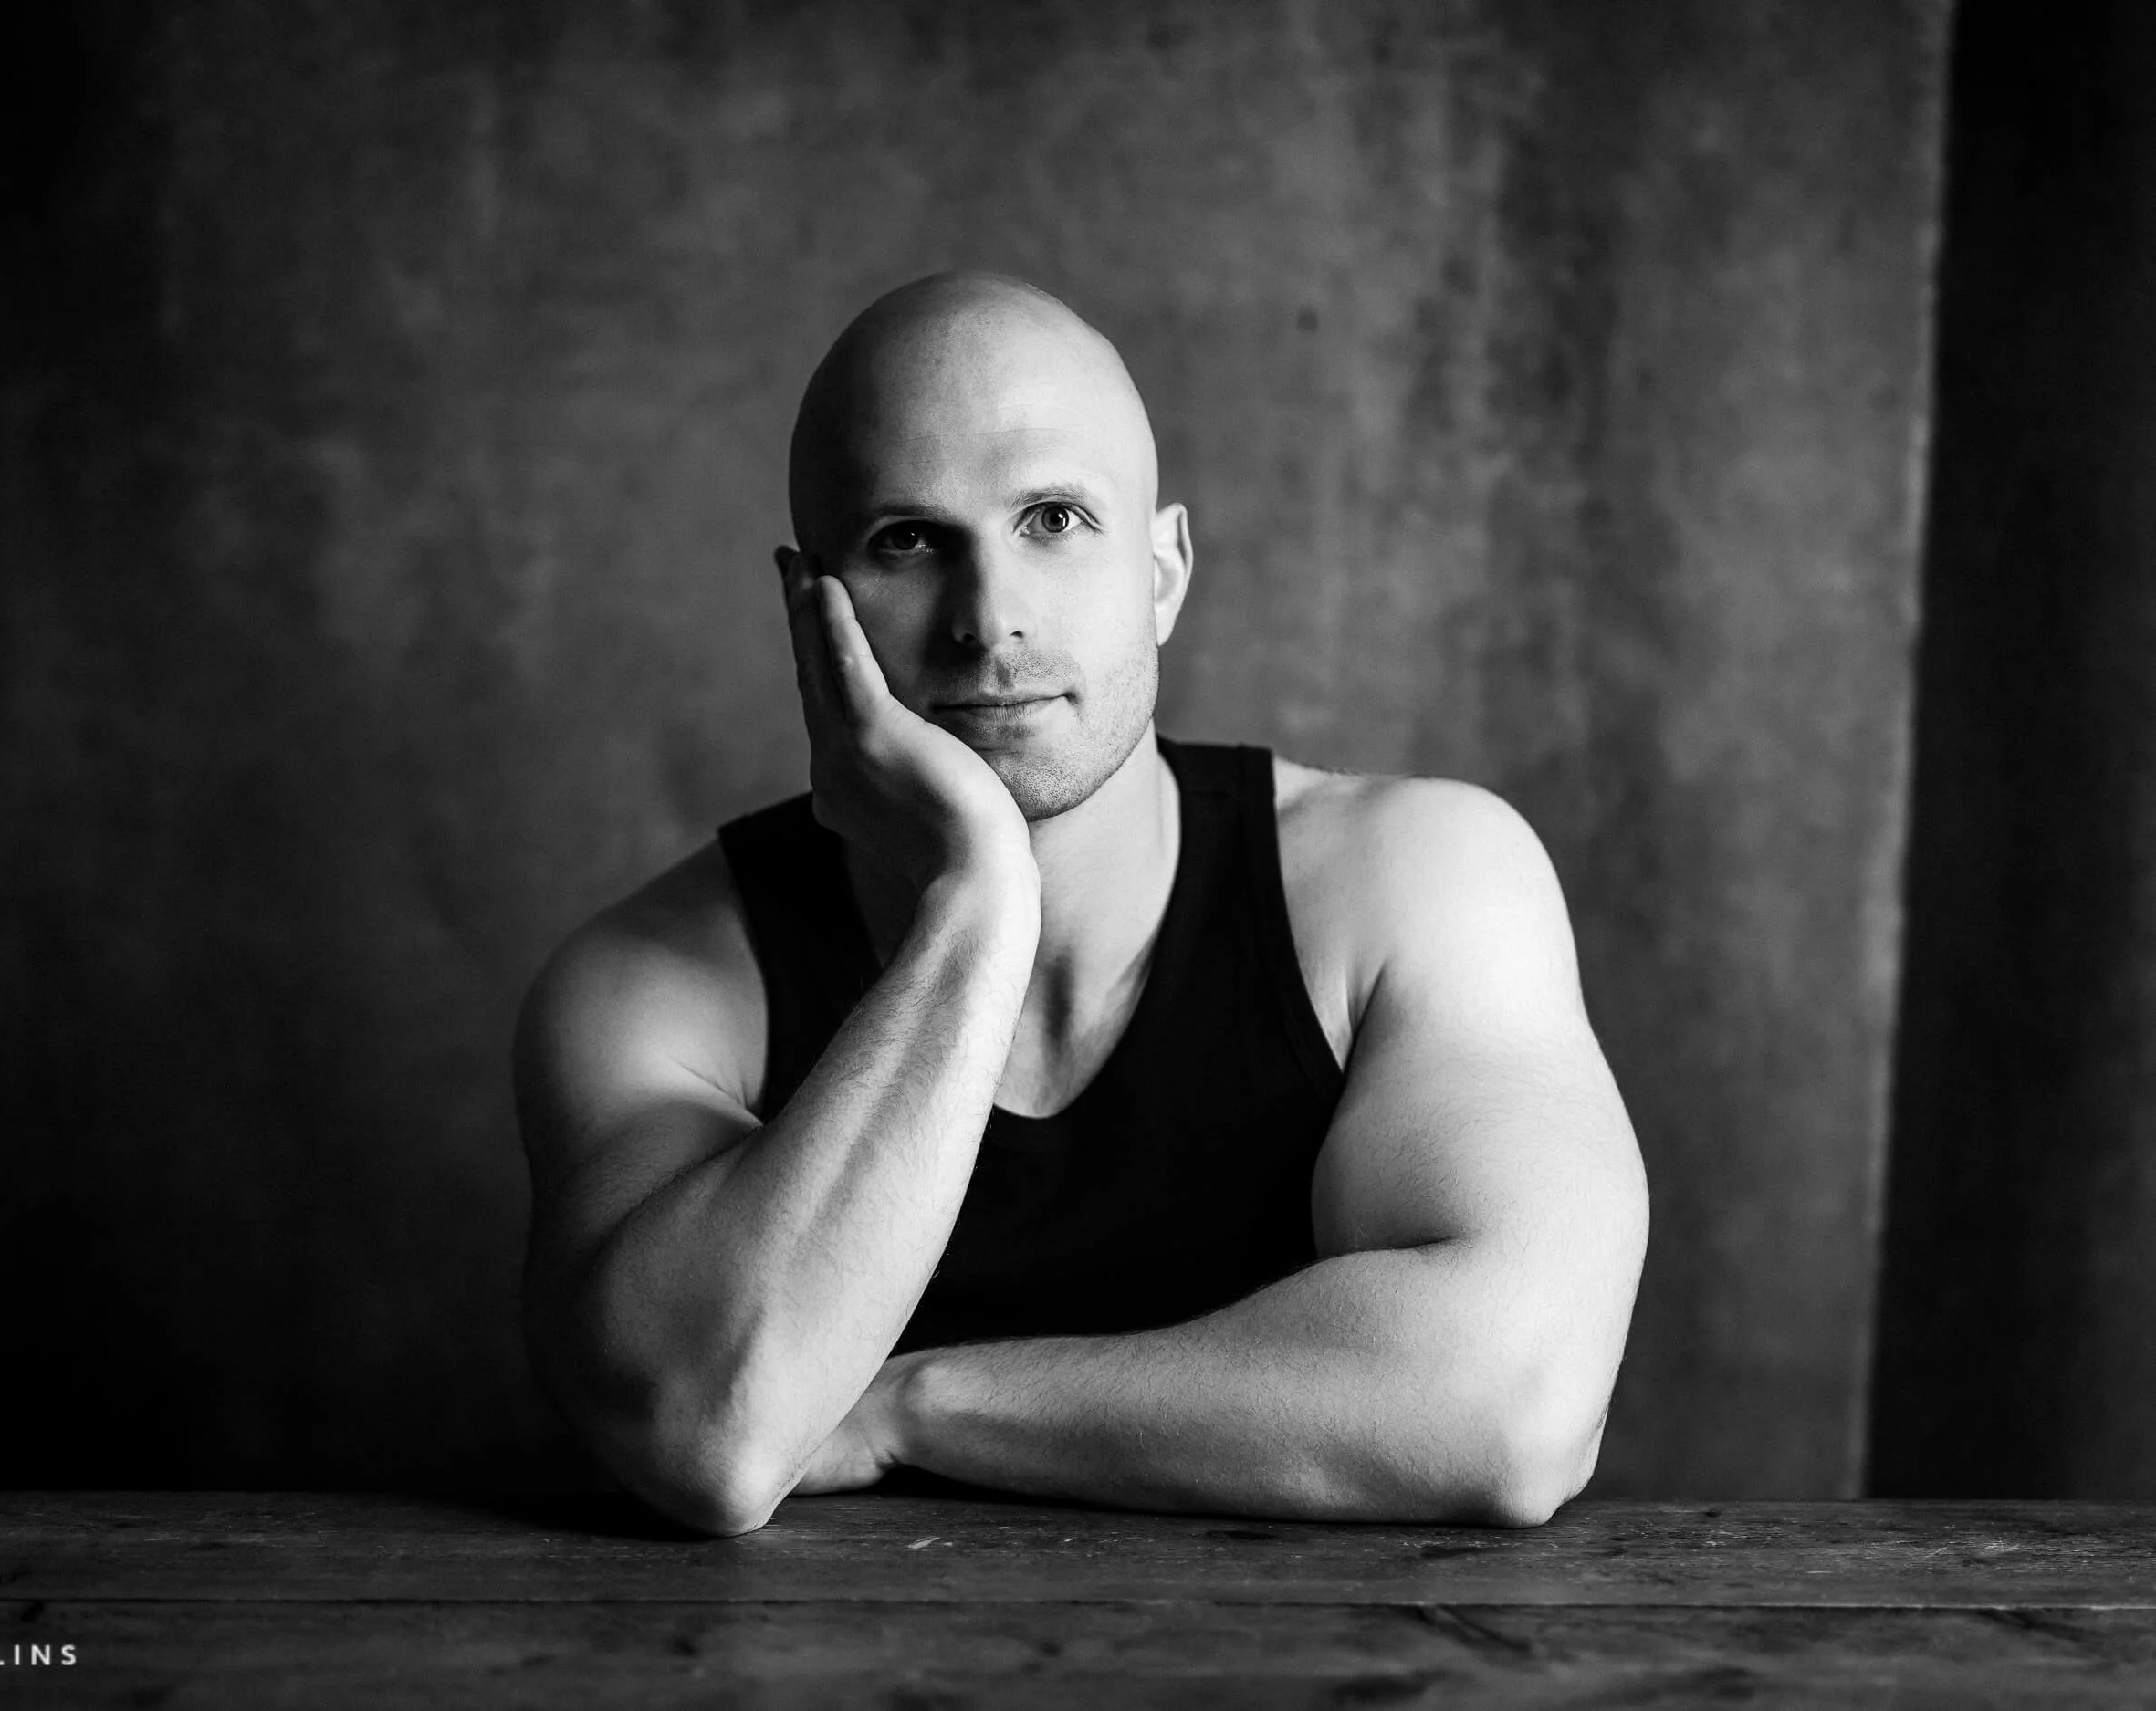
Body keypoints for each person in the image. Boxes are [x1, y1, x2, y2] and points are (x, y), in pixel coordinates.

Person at [514, 271, 1648, 1537]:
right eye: (906, 540)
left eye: (1052, 518)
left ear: (1161, 570)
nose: (989, 621)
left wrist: (910, 1407)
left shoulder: (1418, 882)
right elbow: (707, 1433)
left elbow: (1512, 1409)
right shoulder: (652, 985)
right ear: (806, 605)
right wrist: (978, 898)